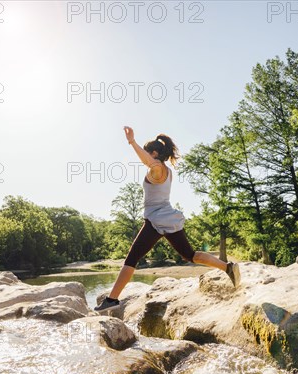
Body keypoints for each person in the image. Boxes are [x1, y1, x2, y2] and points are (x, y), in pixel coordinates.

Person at [94, 126, 240, 312]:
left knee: (132, 258)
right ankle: (228, 267)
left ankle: (112, 299)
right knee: (189, 255)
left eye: (148, 154)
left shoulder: (158, 169)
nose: (145, 158)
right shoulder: (166, 170)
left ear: (154, 153)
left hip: (156, 221)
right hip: (167, 219)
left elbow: (149, 163)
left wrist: (132, 142)